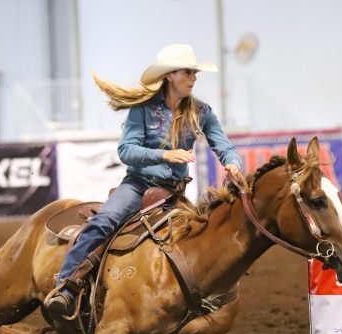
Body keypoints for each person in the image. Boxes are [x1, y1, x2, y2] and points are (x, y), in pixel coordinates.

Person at [45, 43, 244, 316]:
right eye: (188, 72)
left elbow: (224, 146)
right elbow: (126, 150)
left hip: (173, 194)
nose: (194, 78)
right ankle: (65, 286)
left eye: (195, 73)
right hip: (138, 186)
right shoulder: (142, 109)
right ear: (171, 75)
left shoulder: (202, 111)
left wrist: (232, 163)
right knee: (104, 221)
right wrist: (165, 155)